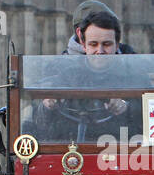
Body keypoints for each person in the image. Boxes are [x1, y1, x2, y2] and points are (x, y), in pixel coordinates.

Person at [33, 8, 134, 143]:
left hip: (121, 151)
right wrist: (47, 106)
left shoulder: (133, 75)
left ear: (116, 45)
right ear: (84, 46)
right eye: (93, 44)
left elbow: (149, 119)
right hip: (73, 150)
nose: (100, 51)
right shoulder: (67, 75)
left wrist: (126, 108)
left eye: (107, 44)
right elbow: (41, 126)